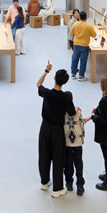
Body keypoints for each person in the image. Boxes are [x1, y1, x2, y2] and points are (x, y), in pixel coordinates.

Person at [37, 62, 76, 198]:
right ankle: (57, 188)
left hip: (45, 128)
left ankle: (44, 181)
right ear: (65, 82)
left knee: (44, 154)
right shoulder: (65, 97)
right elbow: (72, 113)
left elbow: (38, 84)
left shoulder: (47, 93)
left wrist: (46, 71)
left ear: (54, 78)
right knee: (58, 158)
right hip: (58, 131)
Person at [64, 103, 90, 196]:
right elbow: (81, 125)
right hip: (78, 142)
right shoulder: (78, 112)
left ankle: (69, 182)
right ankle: (80, 185)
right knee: (79, 163)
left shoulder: (63, 112)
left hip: (67, 143)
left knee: (68, 163)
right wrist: (82, 138)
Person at [70, 11, 97, 82]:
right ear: (86, 18)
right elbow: (94, 35)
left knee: (74, 59)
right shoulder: (89, 26)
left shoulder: (75, 24)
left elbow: (72, 32)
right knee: (83, 61)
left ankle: (73, 73)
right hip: (84, 45)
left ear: (79, 17)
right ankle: (81, 76)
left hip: (76, 44)